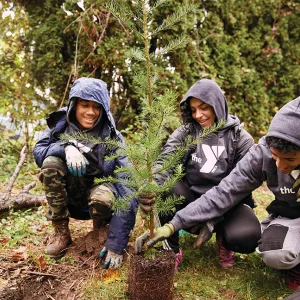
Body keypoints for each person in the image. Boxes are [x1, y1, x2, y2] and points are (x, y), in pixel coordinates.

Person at [137, 96, 300, 290]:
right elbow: (226, 192)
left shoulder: (240, 138)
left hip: (238, 210)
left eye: (290, 159)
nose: (280, 166)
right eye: (275, 157)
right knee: (275, 252)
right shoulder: (261, 153)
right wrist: (173, 225)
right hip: (292, 216)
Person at [139, 79, 261, 270]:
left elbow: (238, 187)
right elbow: (165, 163)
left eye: (204, 108)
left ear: (218, 105)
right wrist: (151, 186)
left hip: (228, 204)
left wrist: (213, 219)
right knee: (166, 186)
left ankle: (224, 238)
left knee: (246, 236)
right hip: (191, 200)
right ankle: (171, 249)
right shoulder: (186, 133)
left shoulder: (241, 140)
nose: (198, 115)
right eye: (194, 109)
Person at [33, 77, 138, 269]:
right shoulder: (60, 124)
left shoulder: (112, 137)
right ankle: (61, 232)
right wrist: (66, 147)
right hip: (71, 197)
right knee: (50, 164)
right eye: (85, 105)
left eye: (97, 107)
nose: (91, 112)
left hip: (99, 198)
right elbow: (39, 152)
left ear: (104, 109)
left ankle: (101, 231)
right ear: (74, 105)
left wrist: (117, 243)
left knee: (103, 197)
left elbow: (128, 187)